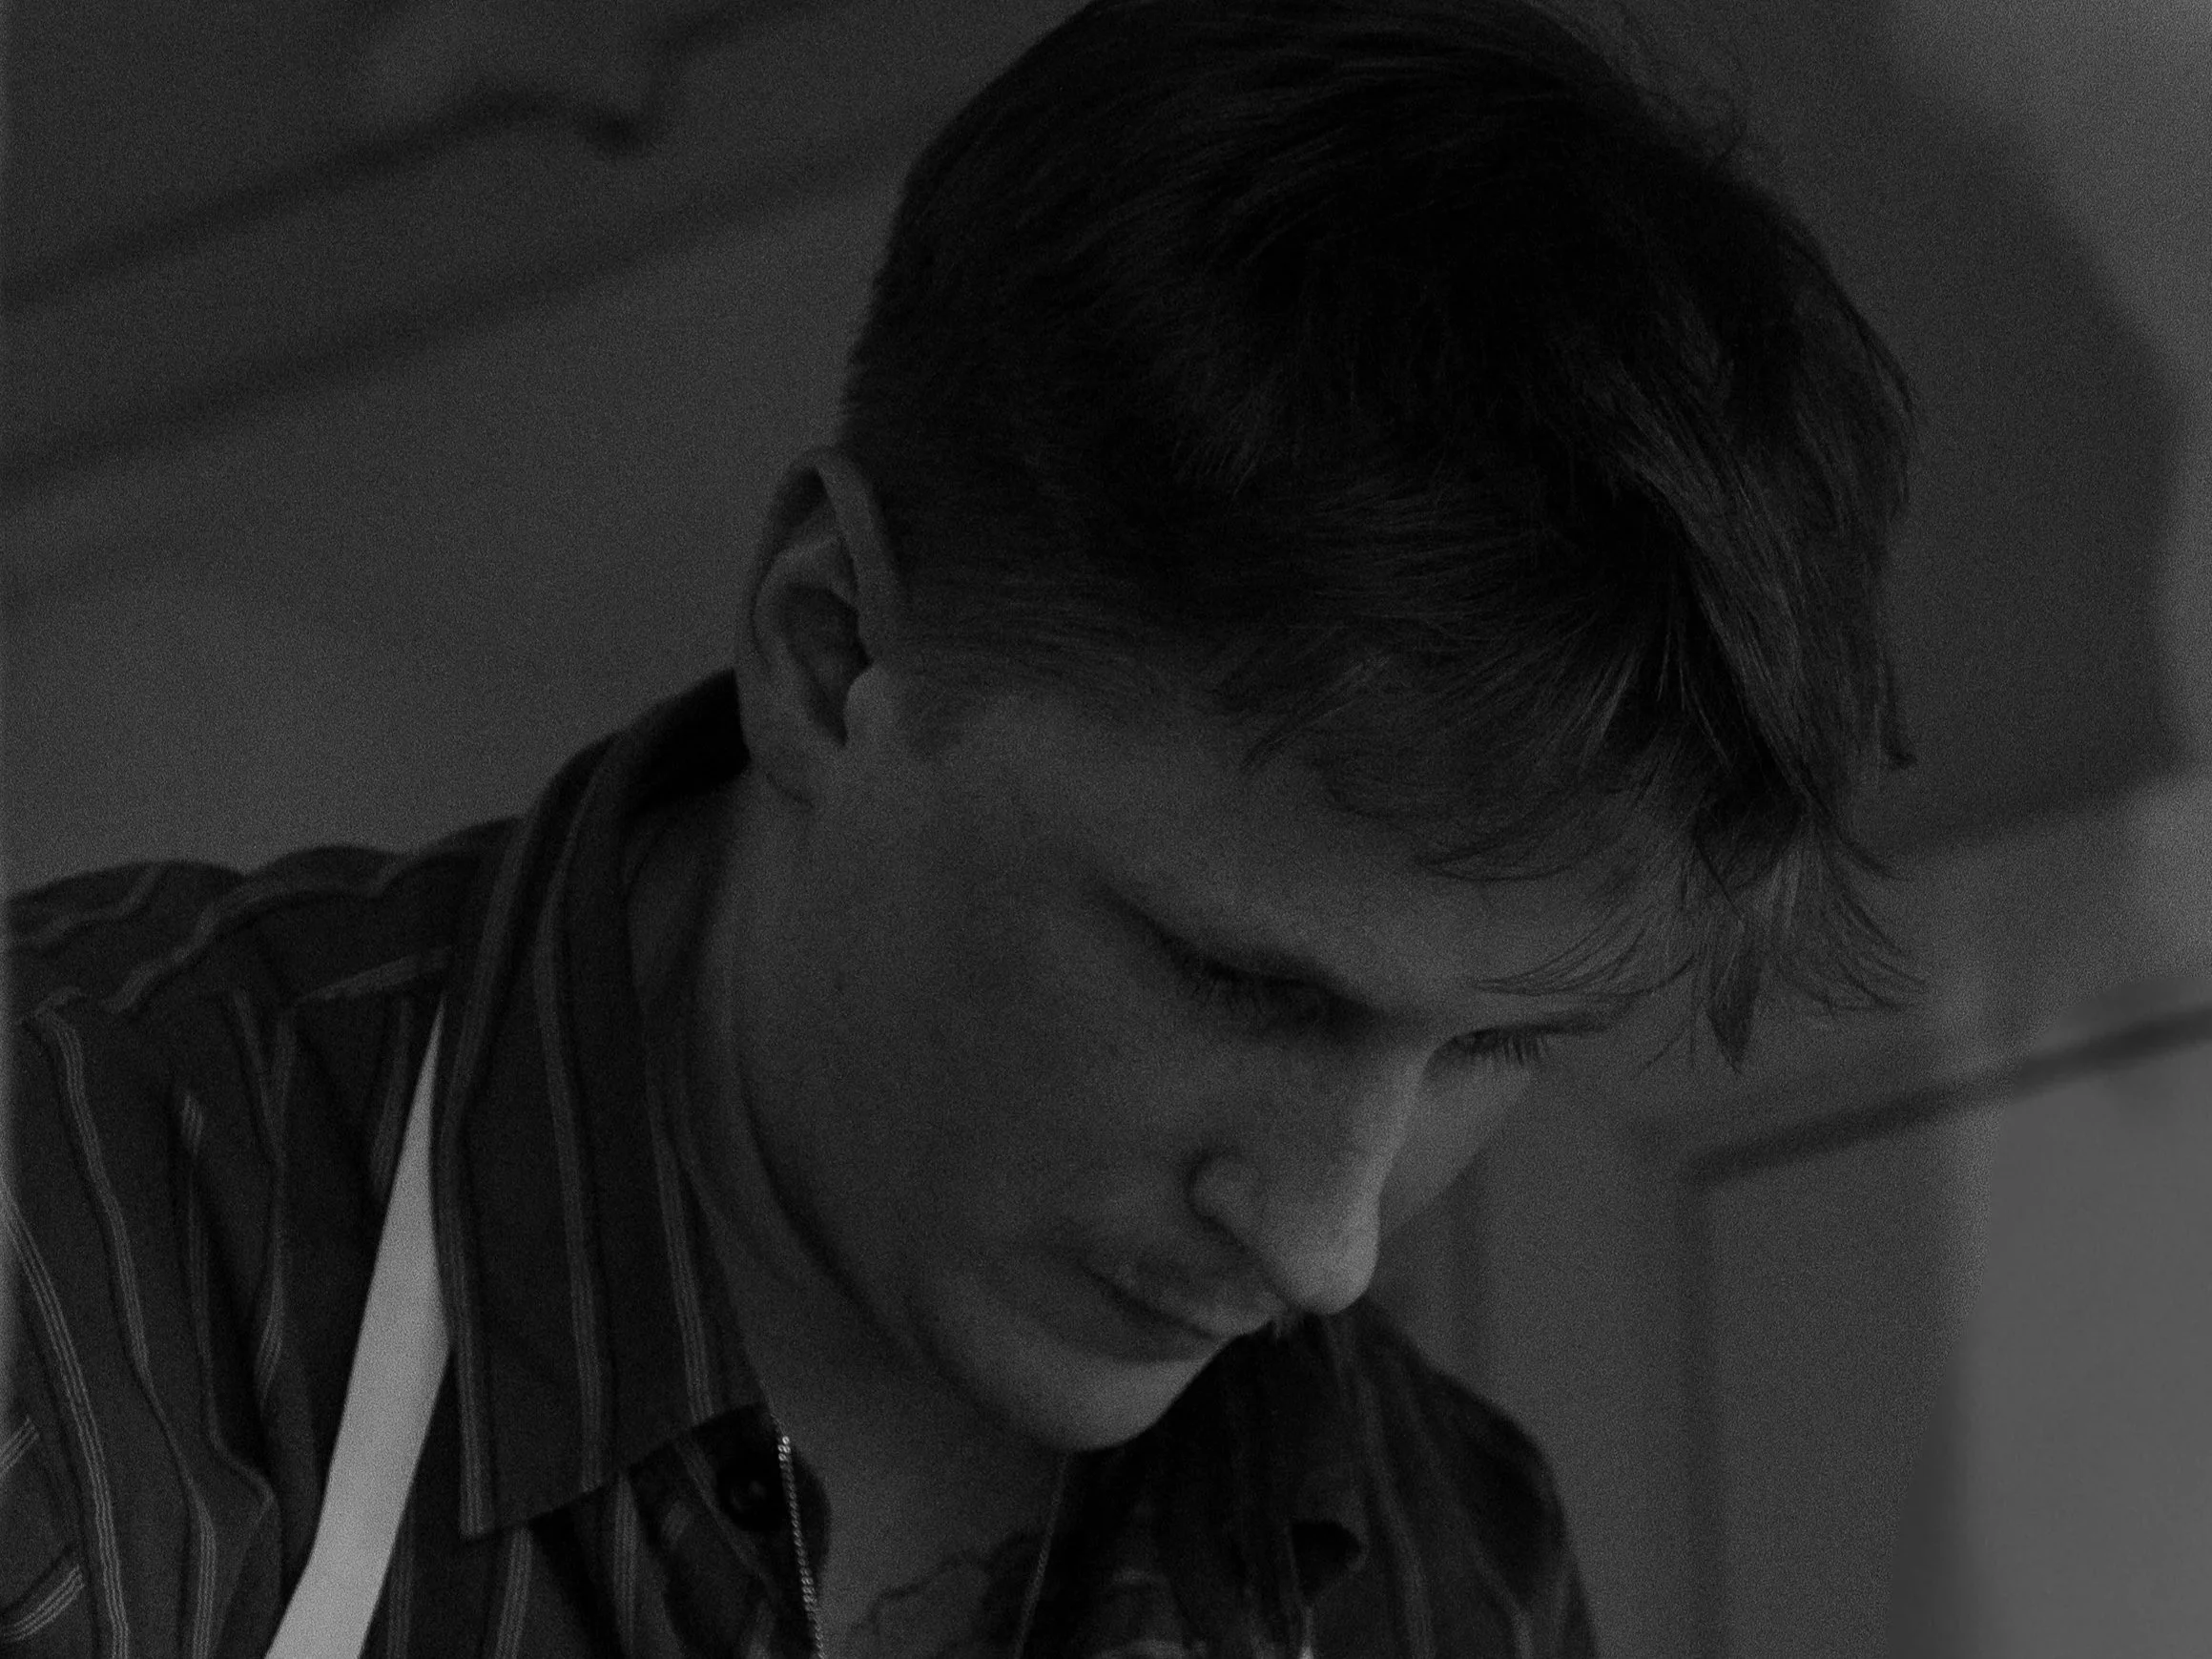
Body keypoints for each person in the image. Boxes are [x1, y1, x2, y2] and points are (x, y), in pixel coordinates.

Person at [0, 0, 1919, 1652]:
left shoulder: (1437, 1568)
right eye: (1236, 978)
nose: (1323, 1241)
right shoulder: (69, 1260)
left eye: (1496, 1043)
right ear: (828, 643)